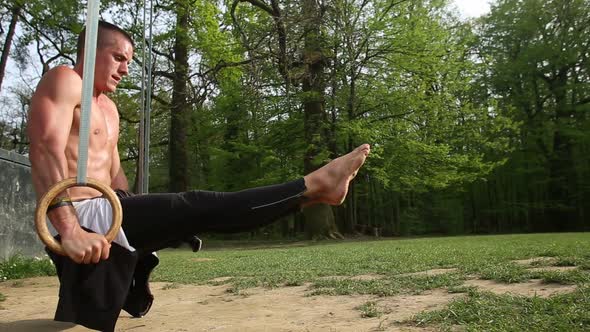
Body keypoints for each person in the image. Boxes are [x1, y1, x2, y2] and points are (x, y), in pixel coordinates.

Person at [27, 21, 370, 331]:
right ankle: (312, 185)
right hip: (79, 212)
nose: (126, 68)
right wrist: (70, 229)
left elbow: (117, 183)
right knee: (197, 204)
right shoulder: (66, 80)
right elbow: (45, 149)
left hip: (109, 210)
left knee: (197, 213)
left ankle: (314, 194)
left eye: (129, 61)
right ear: (90, 53)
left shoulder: (110, 109)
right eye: (118, 57)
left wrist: (149, 227)